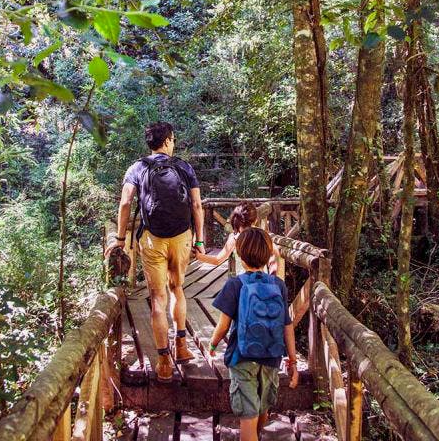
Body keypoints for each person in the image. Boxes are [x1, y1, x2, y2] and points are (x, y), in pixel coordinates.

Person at [104, 122, 205, 382]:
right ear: (168, 141)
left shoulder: (138, 167)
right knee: (177, 289)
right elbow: (196, 204)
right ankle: (181, 347)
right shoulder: (183, 167)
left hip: (152, 239)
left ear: (149, 143)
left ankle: (163, 362)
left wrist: (120, 237)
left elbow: (126, 202)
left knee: (158, 298)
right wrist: (200, 240)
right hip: (182, 236)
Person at [207, 228, 298, 441]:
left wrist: (212, 346)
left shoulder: (235, 284)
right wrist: (292, 361)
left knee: (248, 416)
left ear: (239, 254)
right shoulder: (279, 285)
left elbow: (222, 326)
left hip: (242, 358)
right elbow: (287, 325)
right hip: (271, 357)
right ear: (268, 255)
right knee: (262, 409)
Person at [195, 202, 278, 275]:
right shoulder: (262, 234)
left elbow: (217, 260)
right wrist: (272, 275)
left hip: (242, 282)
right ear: (255, 220)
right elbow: (275, 252)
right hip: (262, 281)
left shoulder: (235, 237)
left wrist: (198, 256)